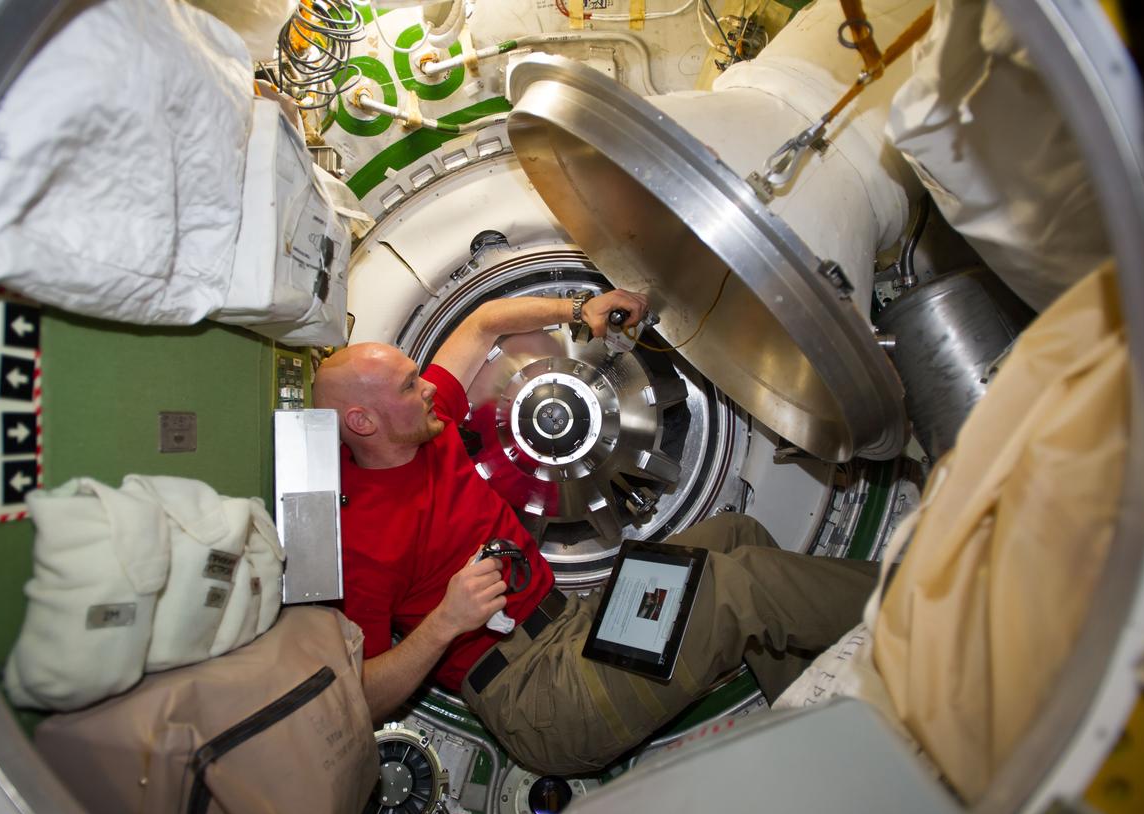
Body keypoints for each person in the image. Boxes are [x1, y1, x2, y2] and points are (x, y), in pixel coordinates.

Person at [315, 289, 877, 774]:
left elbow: (483, 322)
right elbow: (356, 699)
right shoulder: (362, 540)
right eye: (411, 385)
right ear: (364, 422)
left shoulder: (427, 433)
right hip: (542, 697)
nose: (430, 387)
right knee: (739, 587)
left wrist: (584, 308)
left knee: (736, 535)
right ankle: (938, 604)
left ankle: (830, 736)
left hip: (577, 624)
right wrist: (444, 625)